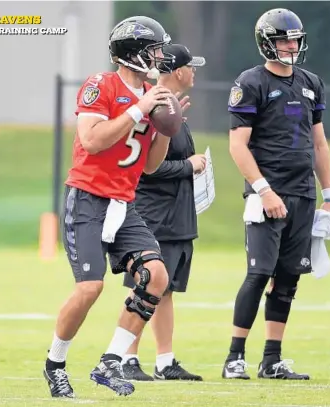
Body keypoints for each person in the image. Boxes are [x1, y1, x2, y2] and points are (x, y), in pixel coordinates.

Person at [42, 16, 182, 398]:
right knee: (90, 287)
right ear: (133, 53)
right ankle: (55, 364)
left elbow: (151, 165)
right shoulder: (100, 85)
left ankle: (110, 362)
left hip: (124, 202)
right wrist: (139, 110)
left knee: (156, 276)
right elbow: (91, 140)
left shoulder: (153, 93)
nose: (159, 56)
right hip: (88, 198)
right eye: (153, 49)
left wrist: (168, 130)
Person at [222, 8, 330, 380]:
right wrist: (263, 189)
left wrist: (329, 195)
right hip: (266, 191)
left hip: (303, 193)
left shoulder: (311, 82)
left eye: (295, 39)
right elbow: (238, 145)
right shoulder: (250, 81)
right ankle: (234, 357)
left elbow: (319, 143)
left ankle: (271, 359)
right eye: (285, 39)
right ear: (266, 43)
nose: (292, 45)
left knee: (289, 276)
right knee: (259, 272)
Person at [121, 44, 206, 382]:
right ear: (177, 70)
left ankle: (164, 360)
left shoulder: (170, 106)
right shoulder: (155, 105)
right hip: (155, 214)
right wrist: (188, 165)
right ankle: (125, 357)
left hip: (177, 214)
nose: (194, 72)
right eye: (190, 66)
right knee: (145, 283)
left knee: (164, 289)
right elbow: (146, 167)